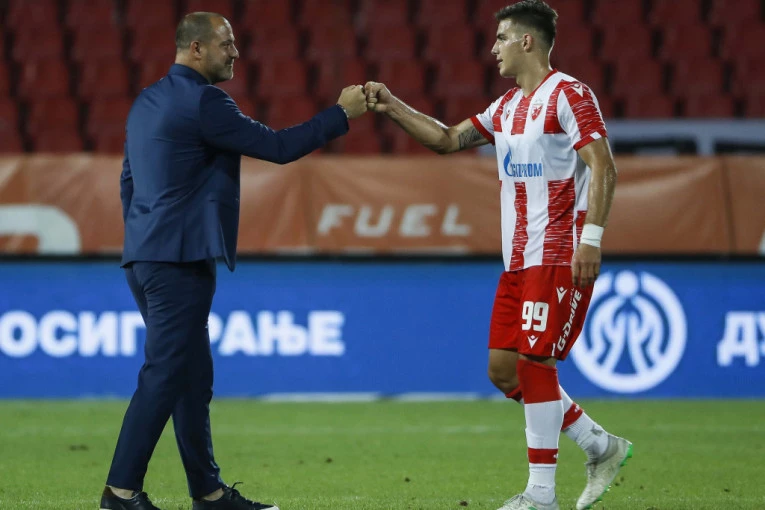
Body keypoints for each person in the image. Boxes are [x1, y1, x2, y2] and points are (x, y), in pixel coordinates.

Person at [364, 1, 631, 509]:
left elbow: (603, 165)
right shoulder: (506, 107)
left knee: (535, 362)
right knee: (504, 371)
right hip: (517, 261)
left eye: (501, 38)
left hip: (558, 253)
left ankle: (540, 495)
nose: (493, 49)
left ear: (526, 41)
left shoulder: (569, 95)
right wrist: (393, 105)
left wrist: (591, 239)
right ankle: (601, 446)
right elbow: (447, 139)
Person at [100, 12, 367, 510]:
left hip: (146, 257)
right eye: (226, 44)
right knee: (164, 375)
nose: (235, 53)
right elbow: (279, 147)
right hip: (179, 260)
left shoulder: (146, 101)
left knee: (191, 379)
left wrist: (143, 239)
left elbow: (128, 181)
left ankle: (209, 493)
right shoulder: (206, 101)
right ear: (196, 48)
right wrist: (340, 113)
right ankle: (120, 491)